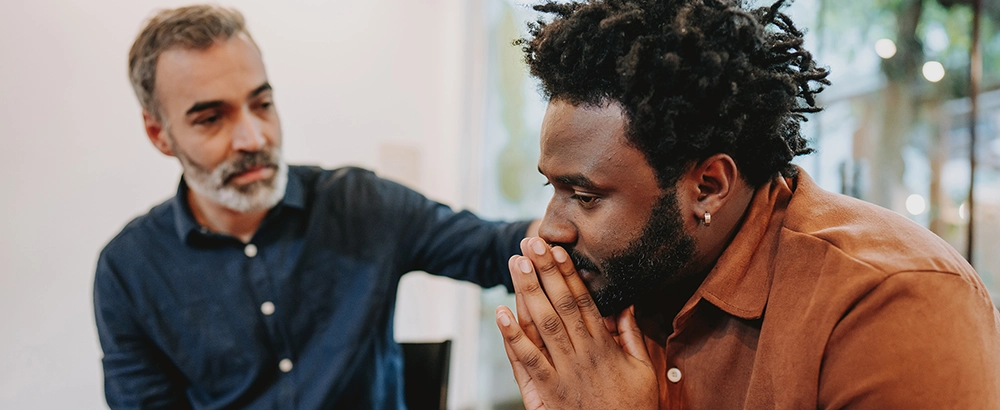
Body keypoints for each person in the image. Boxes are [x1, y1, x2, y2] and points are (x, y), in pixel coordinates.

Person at [493, 0, 1000, 408]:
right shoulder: (618, 288)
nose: (546, 231)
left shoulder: (892, 302)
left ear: (709, 187)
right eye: (551, 189)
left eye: (584, 196)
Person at [93, 5, 537, 409]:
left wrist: (590, 214)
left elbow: (496, 249)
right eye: (211, 119)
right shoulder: (129, 270)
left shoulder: (360, 204)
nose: (254, 138)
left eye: (262, 104)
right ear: (159, 134)